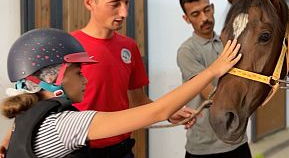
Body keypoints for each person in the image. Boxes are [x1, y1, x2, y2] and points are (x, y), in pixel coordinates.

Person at [0, 28, 241, 158]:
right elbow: (158, 111)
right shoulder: (64, 126)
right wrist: (212, 71)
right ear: (51, 80)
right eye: (77, 72)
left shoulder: (25, 118)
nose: (85, 79)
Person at [71, 0, 196, 157]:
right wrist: (14, 135)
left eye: (126, 2)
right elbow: (44, 104)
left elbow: (138, 100)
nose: (124, 13)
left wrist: (168, 113)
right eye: (115, 4)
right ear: (89, 2)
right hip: (80, 151)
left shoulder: (129, 47)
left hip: (122, 150)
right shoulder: (69, 46)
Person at [177, 0, 252, 158]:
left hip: (237, 139)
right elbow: (209, 92)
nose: (204, 18)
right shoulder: (187, 51)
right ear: (186, 19)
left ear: (212, 8)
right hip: (204, 146)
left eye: (206, 10)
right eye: (195, 14)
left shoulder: (230, 43)